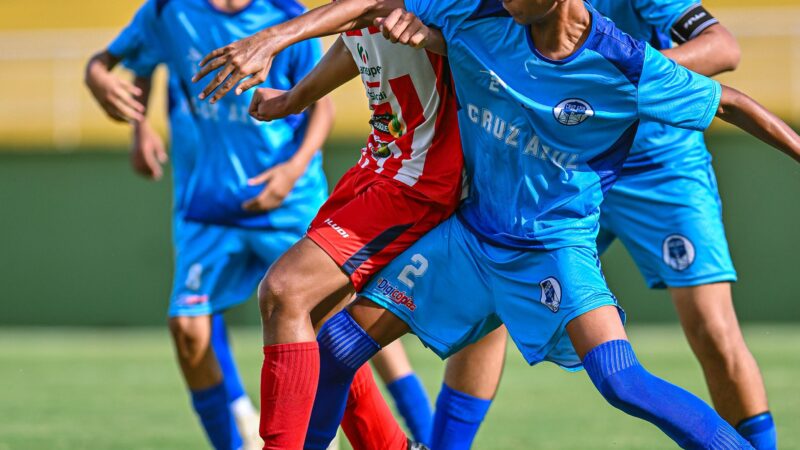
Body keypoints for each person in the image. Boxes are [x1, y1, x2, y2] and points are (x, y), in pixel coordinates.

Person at [195, 0, 800, 448]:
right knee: (335, 347)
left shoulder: (622, 64)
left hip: (551, 249)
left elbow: (732, 101)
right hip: (470, 241)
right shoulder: (477, 15)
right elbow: (375, 8)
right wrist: (308, 77)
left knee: (622, 381)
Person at [428, 1, 776, 449]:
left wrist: (614, 79)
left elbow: (723, 49)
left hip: (658, 167)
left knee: (712, 328)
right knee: (487, 312)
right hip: (560, 166)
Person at [84, 1, 332, 448]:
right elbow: (122, 62)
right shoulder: (169, 10)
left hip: (286, 203)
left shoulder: (286, 14)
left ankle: (374, 433)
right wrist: (128, 115)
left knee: (336, 329)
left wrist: (291, 172)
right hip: (212, 205)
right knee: (188, 330)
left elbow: (322, 107)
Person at [220, 15, 465, 448]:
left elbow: (366, 6)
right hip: (380, 166)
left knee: (285, 291)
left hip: (419, 180)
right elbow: (355, 35)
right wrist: (294, 99)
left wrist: (273, 37)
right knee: (321, 322)